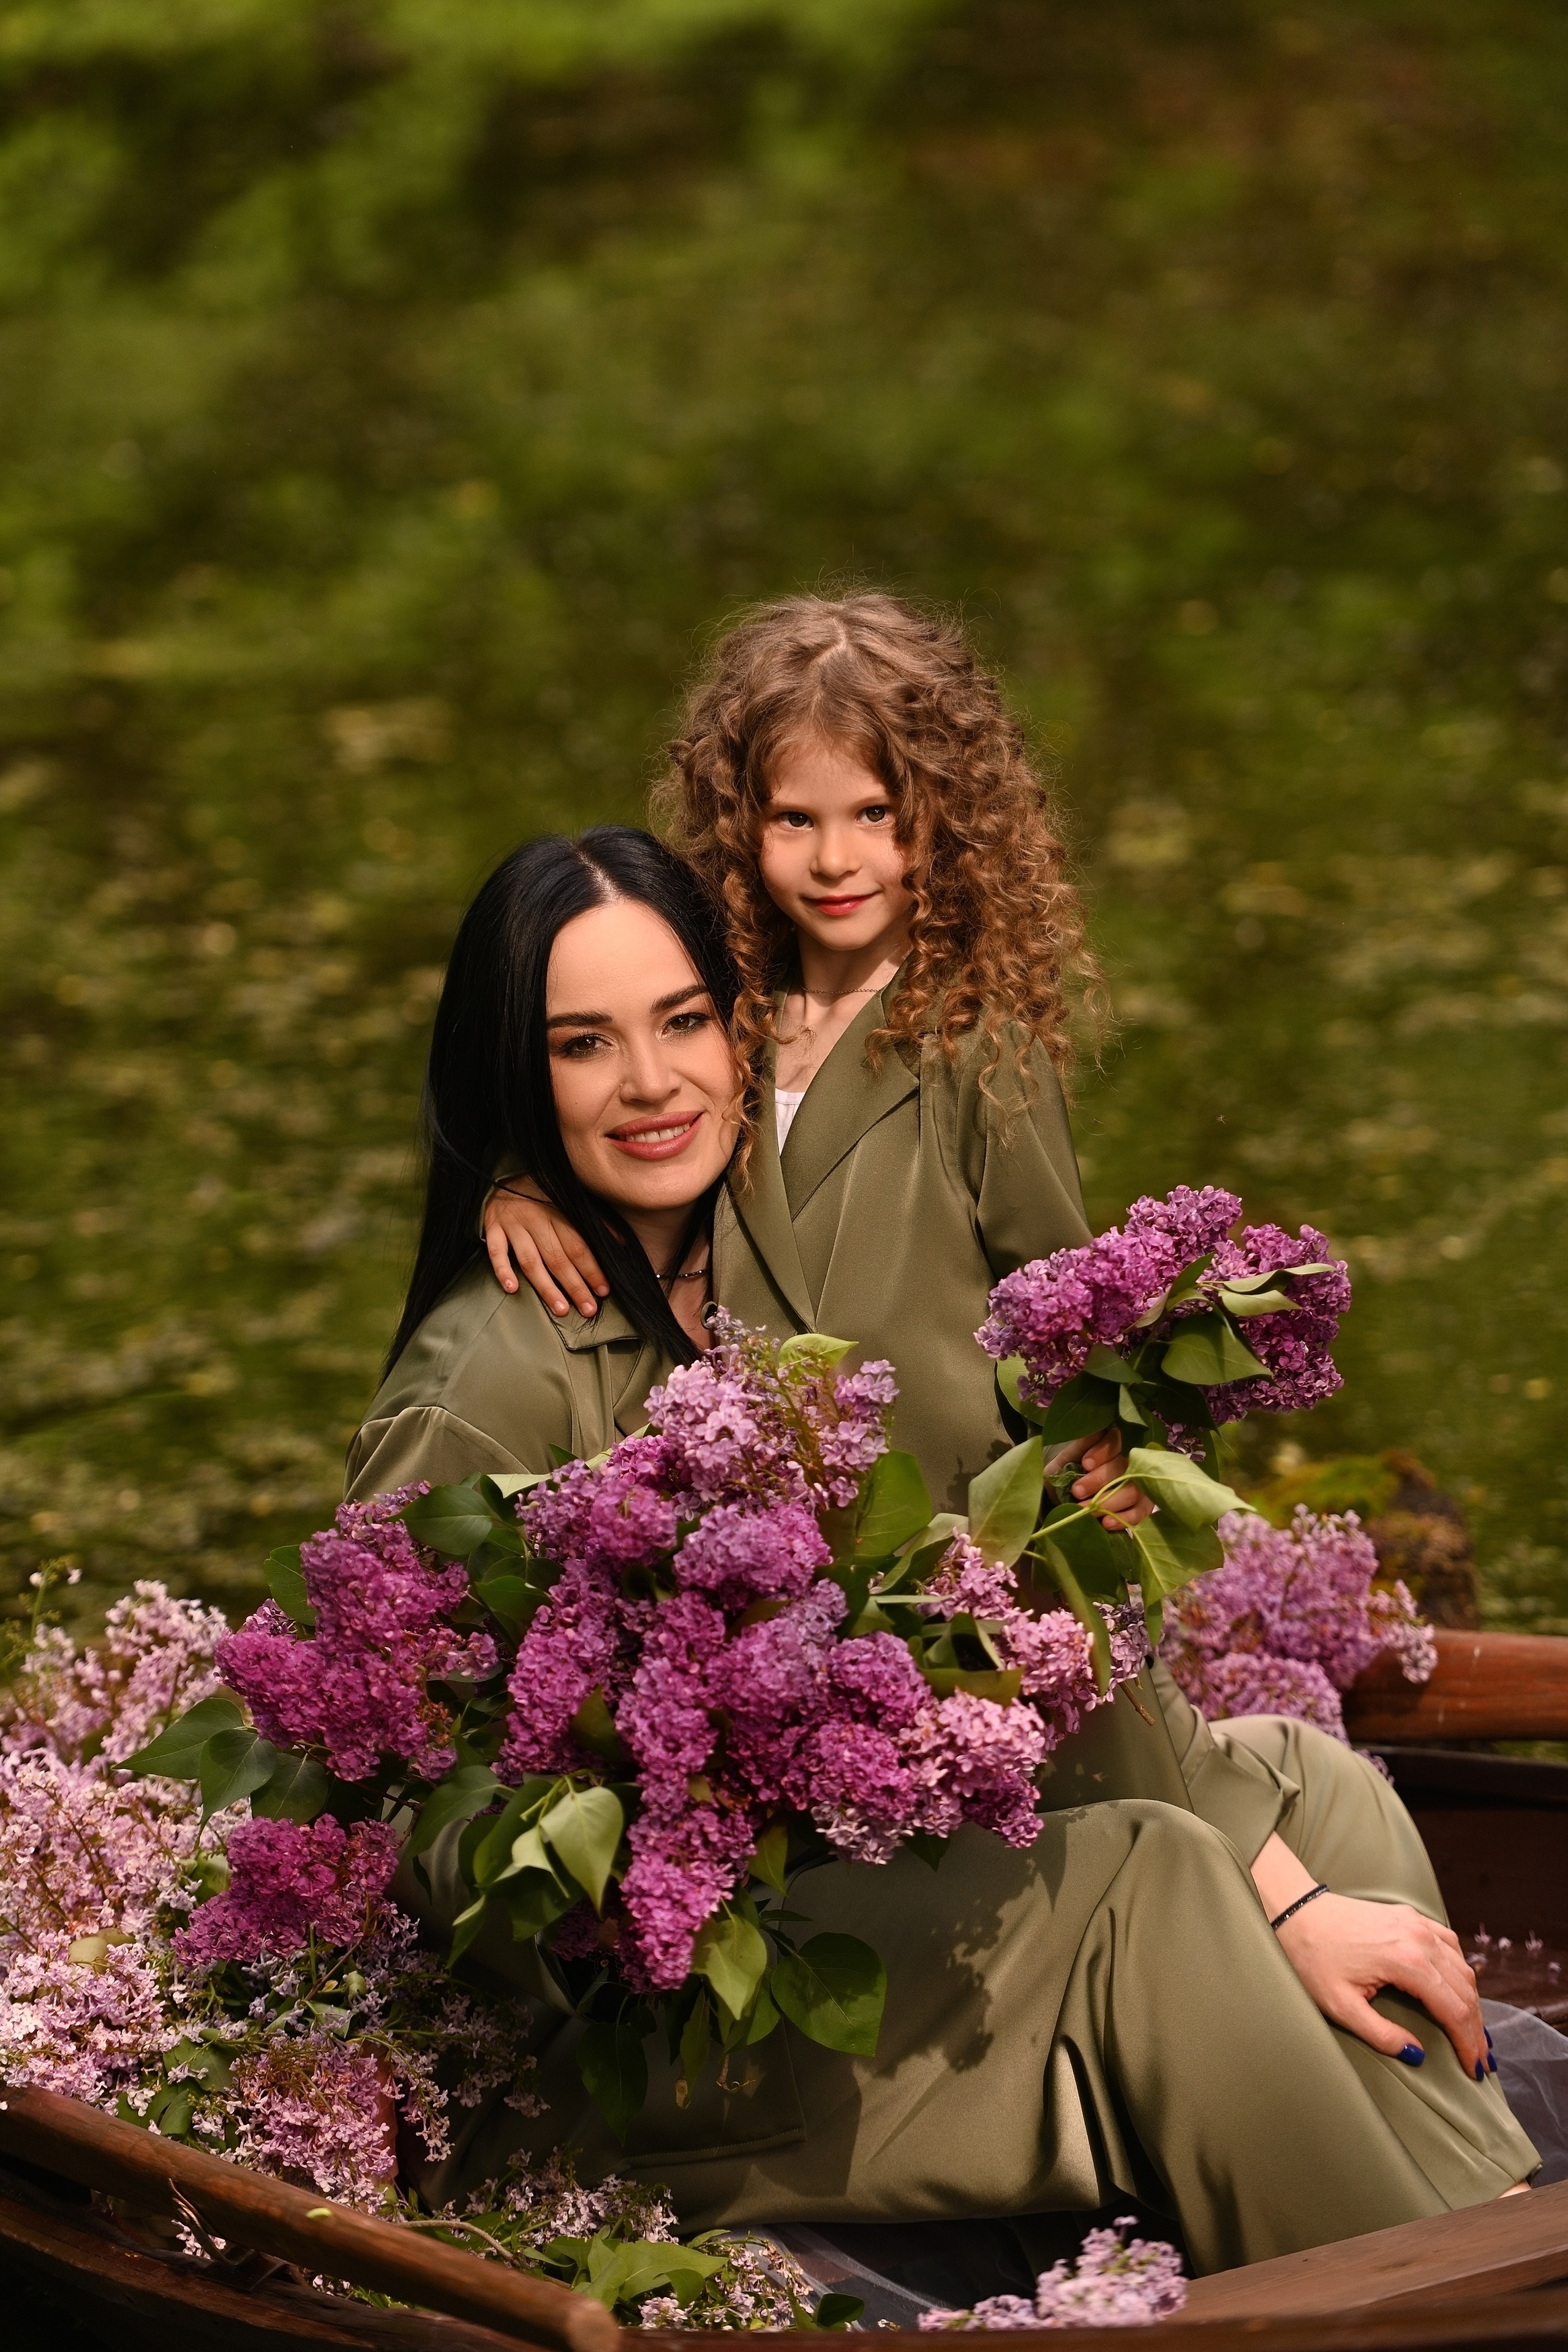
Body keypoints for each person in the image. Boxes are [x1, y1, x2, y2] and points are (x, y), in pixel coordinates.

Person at [349, 817, 1532, 2272]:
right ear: (510, 1072)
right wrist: (669, 1810)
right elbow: (413, 1820)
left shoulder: (757, 1254)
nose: (650, 1082)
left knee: (1308, 1787)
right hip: (659, 2034)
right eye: (580, 1045)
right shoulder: (489, 1378)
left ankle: (1474, 2228)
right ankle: (1429, 2290)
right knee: (1157, 1878)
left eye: (680, 1024)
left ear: (742, 1036)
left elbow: (899, 1090)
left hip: (831, 1876)